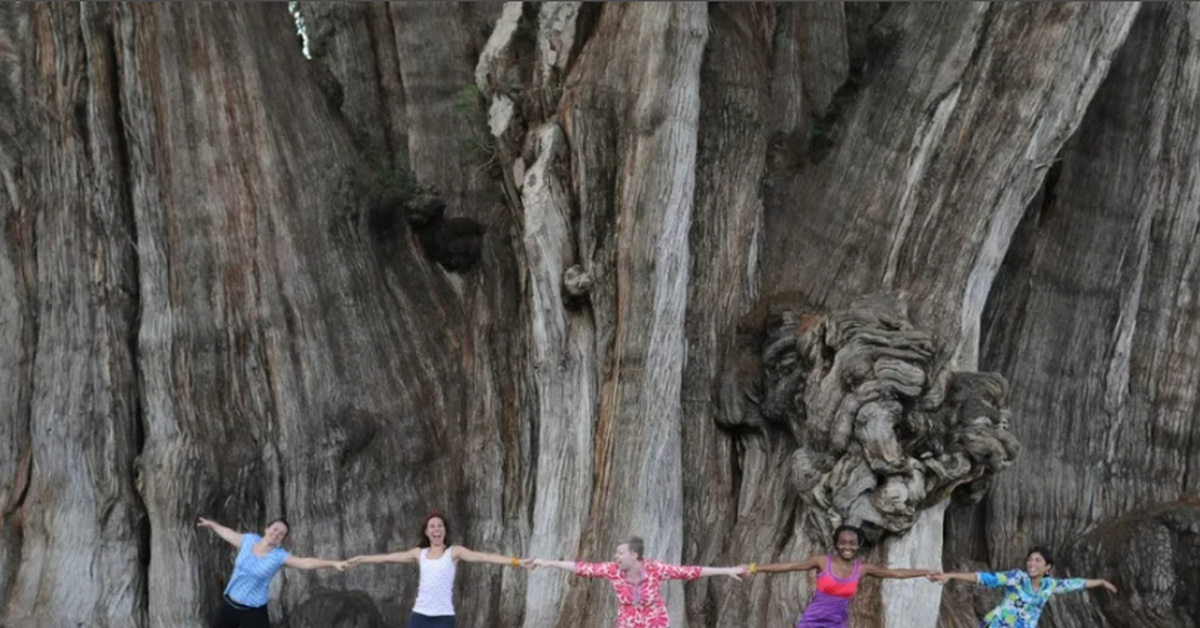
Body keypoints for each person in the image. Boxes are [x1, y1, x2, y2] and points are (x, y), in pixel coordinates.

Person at [346, 510, 532, 628]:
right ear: (427, 532)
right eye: (432, 526)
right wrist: (361, 559)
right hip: (420, 616)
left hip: (443, 618)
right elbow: (388, 558)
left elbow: (486, 557)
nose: (436, 529)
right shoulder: (419, 553)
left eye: (440, 526)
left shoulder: (454, 553)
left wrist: (516, 561)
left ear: (444, 530)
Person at [740, 524, 937, 628]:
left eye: (852, 543)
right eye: (843, 542)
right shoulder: (822, 561)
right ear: (836, 544)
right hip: (813, 621)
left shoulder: (862, 568)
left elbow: (895, 573)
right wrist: (754, 568)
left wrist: (925, 572)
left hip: (838, 622)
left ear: (859, 546)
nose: (847, 547)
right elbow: (790, 566)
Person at [532, 535, 742, 628]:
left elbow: (690, 572)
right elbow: (582, 568)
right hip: (627, 624)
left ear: (634, 555)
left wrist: (727, 570)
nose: (616, 556)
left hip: (655, 622)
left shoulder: (655, 569)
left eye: (620, 553)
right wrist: (548, 563)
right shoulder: (613, 570)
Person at [197, 516, 349, 628]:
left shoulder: (279, 556)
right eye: (275, 529)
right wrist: (212, 524)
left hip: (254, 611)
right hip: (229, 605)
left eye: (281, 534)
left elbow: (305, 562)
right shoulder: (249, 541)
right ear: (267, 529)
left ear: (282, 540)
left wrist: (333, 563)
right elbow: (229, 533)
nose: (276, 533)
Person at [930, 546, 1117, 628]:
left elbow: (1077, 584)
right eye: (1029, 560)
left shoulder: (1049, 586)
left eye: (1037, 560)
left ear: (1047, 567)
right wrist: (952, 575)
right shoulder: (1017, 578)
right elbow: (985, 578)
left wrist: (1100, 582)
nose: (1031, 563)